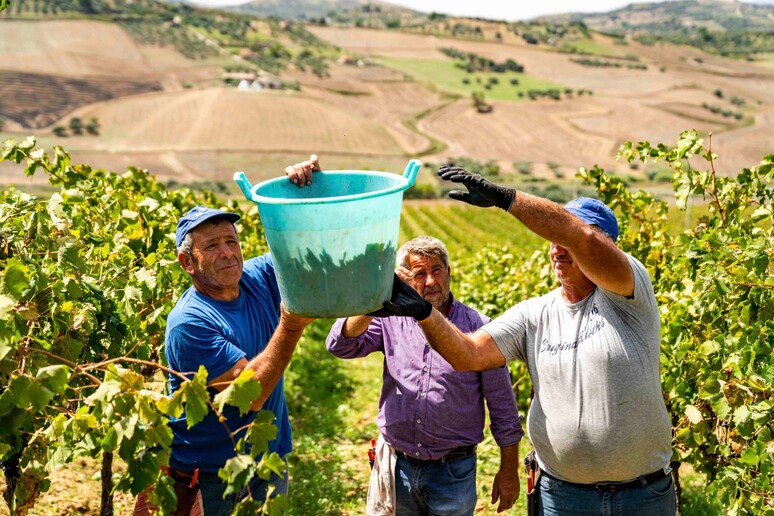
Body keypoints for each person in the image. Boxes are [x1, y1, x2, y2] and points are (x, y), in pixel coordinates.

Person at [374, 166, 676, 516]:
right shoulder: (534, 314)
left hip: (640, 497)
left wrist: (507, 199)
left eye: (569, 238)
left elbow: (583, 239)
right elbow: (467, 354)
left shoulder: (629, 295)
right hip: (562, 498)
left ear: (610, 248)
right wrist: (425, 313)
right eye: (553, 240)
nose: (559, 250)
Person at [163, 155, 320, 514]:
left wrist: (299, 195)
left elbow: (304, 247)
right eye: (212, 246)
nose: (227, 253)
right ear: (187, 262)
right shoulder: (190, 322)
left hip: (267, 459)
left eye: (231, 242)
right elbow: (251, 394)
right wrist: (291, 325)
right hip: (213, 474)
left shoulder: (257, 276)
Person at [326, 235, 524, 515]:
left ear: (449, 274)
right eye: (420, 274)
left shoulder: (479, 328)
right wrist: (376, 300)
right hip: (398, 467)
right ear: (407, 279)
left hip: (452, 473)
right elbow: (339, 345)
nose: (430, 281)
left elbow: (503, 407)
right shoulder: (391, 320)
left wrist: (508, 470)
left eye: (436, 271)